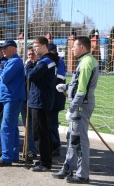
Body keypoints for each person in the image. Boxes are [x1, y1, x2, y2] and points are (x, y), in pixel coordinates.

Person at [52, 36, 99, 184]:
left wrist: (72, 109)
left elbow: (82, 91)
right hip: (80, 106)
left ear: (82, 48)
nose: (71, 49)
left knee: (79, 141)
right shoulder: (85, 61)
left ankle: (83, 174)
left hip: (81, 106)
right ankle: (68, 167)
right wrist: (65, 87)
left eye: (74, 46)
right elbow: (77, 84)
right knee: (72, 138)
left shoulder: (86, 64)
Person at [25, 36, 59, 171]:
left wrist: (28, 64)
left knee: (40, 133)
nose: (34, 49)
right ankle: (44, 159)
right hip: (41, 99)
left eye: (36, 46)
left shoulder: (45, 62)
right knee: (41, 132)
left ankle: (45, 163)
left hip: (40, 100)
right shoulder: (47, 61)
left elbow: (31, 76)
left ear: (44, 46)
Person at [0, 40, 25, 167]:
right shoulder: (12, 61)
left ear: (12, 48)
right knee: (12, 127)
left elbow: (5, 78)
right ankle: (13, 154)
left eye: (5, 48)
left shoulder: (15, 61)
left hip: (12, 98)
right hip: (10, 97)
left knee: (6, 127)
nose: (3, 51)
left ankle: (7, 157)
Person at [48, 43, 66, 156]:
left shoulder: (58, 62)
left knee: (52, 122)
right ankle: (54, 144)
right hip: (54, 97)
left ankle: (55, 145)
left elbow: (58, 80)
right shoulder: (57, 61)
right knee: (51, 122)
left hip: (55, 97)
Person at [20, 46, 38, 159]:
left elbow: (30, 77)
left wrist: (28, 66)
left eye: (33, 54)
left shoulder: (37, 66)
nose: (31, 56)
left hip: (34, 100)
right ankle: (30, 148)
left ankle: (34, 148)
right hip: (24, 98)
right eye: (29, 55)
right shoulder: (25, 66)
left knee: (34, 126)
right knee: (27, 125)